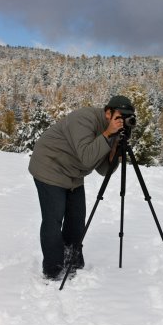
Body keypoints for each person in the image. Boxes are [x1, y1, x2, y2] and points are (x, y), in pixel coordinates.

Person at [29, 95, 135, 280]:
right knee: (53, 219)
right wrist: (108, 135)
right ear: (107, 112)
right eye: (120, 116)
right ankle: (53, 269)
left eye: (127, 117)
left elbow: (103, 170)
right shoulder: (84, 119)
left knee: (76, 219)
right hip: (49, 165)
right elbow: (87, 157)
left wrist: (116, 149)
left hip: (74, 174)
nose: (122, 121)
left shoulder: (112, 132)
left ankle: (72, 261)